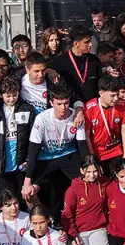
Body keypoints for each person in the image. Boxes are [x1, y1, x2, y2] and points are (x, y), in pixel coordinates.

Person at [23, 86, 89, 219]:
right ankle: (44, 219)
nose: (63, 107)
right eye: (59, 104)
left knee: (87, 183)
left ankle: (81, 217)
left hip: (68, 154)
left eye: (66, 103)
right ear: (51, 103)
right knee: (29, 193)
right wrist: (27, 181)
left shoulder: (77, 116)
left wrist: (87, 168)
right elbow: (33, 150)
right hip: (46, 157)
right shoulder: (42, 119)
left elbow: (82, 145)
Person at [86, 76, 125, 174]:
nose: (116, 98)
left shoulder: (123, 105)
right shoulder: (89, 108)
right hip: (98, 152)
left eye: (117, 94)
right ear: (101, 93)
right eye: (112, 96)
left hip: (116, 150)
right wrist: (92, 157)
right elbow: (87, 135)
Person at [53, 27, 103, 103]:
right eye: (87, 42)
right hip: (70, 106)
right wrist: (49, 70)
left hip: (92, 105)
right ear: (76, 43)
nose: (90, 44)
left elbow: (100, 83)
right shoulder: (59, 61)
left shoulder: (94, 60)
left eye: (90, 41)